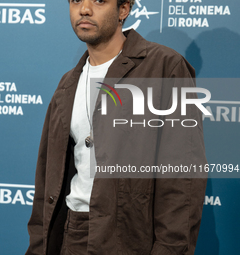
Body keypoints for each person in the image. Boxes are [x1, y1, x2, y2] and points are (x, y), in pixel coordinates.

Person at [26, 0, 207, 254]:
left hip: (129, 240)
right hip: (71, 234)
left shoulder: (165, 68)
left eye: (99, 0)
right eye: (76, 0)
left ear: (124, 9)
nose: (85, 9)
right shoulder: (67, 84)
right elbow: (47, 183)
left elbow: (181, 179)